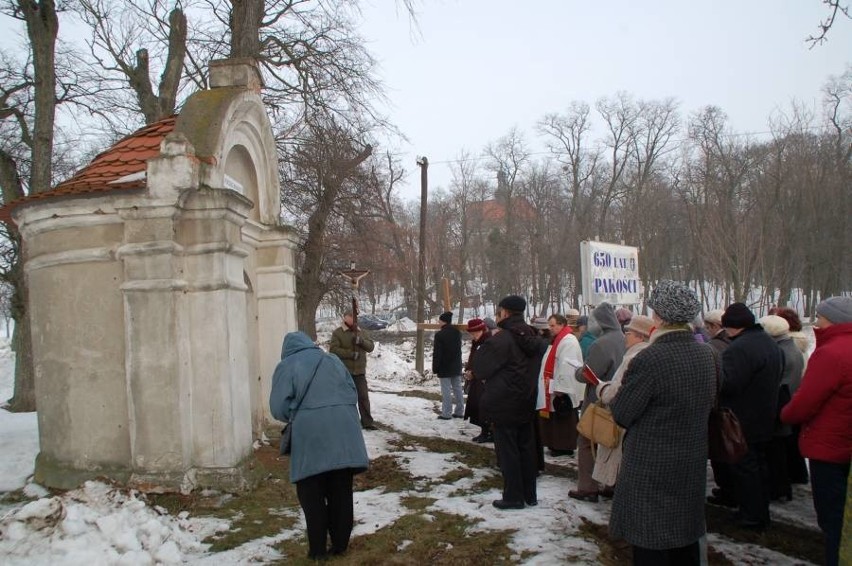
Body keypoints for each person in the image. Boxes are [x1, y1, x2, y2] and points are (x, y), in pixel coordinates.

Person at [608, 281, 716, 566]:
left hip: (651, 463)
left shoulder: (651, 358)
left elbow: (622, 412)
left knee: (650, 537)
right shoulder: (707, 354)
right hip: (691, 458)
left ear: (658, 317)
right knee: (685, 534)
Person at [269, 331, 369, 560]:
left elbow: (278, 408)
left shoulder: (286, 366)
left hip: (311, 437)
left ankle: (317, 551)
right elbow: (351, 392)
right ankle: (340, 545)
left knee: (311, 493)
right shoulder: (331, 359)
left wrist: (300, 414)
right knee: (341, 489)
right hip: (345, 432)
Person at [781, 296, 852, 566]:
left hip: (829, 448)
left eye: (821, 317)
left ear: (832, 320)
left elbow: (805, 402)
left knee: (832, 518)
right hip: (845, 444)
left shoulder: (831, 353)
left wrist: (785, 414)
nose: (817, 322)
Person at [713, 302, 783, 530]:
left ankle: (751, 514)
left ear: (732, 327)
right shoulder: (769, 343)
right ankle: (758, 510)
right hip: (765, 414)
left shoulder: (740, 348)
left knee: (745, 467)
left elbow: (729, 383)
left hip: (742, 418)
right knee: (758, 465)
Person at [472, 294, 545, 510]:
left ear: (504, 312)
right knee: (526, 449)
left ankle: (513, 496)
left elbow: (481, 368)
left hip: (504, 402)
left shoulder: (502, 340)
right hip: (527, 400)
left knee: (508, 452)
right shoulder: (532, 336)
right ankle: (529, 494)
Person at [570, 302, 625, 502]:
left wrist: (577, 371)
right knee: (613, 444)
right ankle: (612, 483)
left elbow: (589, 374)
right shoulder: (624, 339)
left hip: (598, 400)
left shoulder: (601, 344)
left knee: (586, 441)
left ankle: (587, 487)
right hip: (620, 400)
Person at [591, 315, 654, 490]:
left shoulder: (633, 357)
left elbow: (615, 392)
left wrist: (602, 389)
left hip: (624, 422)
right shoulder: (649, 354)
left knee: (619, 467)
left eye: (629, 332)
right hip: (638, 423)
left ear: (640, 336)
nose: (625, 335)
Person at [760, 314, 805, 502]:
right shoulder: (792, 347)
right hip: (789, 400)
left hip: (780, 403)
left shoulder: (781, 352)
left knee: (776, 451)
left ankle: (779, 487)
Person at [768, 306, 810, 484]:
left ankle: (788, 477)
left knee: (786, 442)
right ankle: (797, 475)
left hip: (790, 395)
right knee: (792, 442)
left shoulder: (786, 347)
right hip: (796, 393)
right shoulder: (796, 344)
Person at [536, 314, 584, 457]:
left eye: (553, 325)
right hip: (552, 383)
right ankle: (554, 444)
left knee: (563, 419)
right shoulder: (558, 339)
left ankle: (564, 446)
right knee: (555, 418)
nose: (550, 328)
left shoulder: (568, 341)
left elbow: (567, 365)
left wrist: (561, 388)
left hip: (563, 388)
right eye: (549, 325)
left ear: (562, 324)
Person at [329, 311, 377, 430]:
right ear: (345, 317)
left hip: (359, 372)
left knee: (363, 397)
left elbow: (371, 347)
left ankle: (367, 422)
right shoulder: (338, 333)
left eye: (354, 317)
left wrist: (361, 342)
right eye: (350, 316)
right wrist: (350, 354)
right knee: (345, 398)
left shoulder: (361, 331)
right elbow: (333, 350)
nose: (352, 319)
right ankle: (345, 422)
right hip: (345, 372)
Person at [463, 318, 493, 443]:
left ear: (482, 330)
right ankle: (484, 431)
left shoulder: (488, 342)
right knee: (477, 406)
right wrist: (469, 370)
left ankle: (488, 432)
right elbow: (474, 359)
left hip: (484, 380)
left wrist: (474, 373)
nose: (473, 335)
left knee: (484, 407)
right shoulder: (477, 342)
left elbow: (487, 363)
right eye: (472, 333)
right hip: (476, 379)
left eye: (475, 332)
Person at [433, 311, 464, 420]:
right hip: (456, 365)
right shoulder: (457, 333)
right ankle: (460, 411)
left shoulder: (440, 335)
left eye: (440, 320)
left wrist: (435, 367)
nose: (438, 322)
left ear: (443, 321)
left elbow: (437, 353)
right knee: (458, 389)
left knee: (446, 390)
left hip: (444, 366)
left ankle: (446, 413)